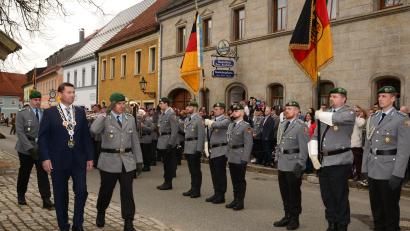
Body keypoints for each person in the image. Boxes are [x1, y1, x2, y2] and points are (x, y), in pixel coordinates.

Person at [38, 82, 94, 231]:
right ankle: (63, 225)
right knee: (61, 194)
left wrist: (89, 157)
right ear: (60, 94)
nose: (72, 95)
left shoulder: (80, 112)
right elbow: (42, 138)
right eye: (69, 92)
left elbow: (86, 137)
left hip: (78, 160)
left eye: (73, 92)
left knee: (82, 191)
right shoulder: (50, 113)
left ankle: (78, 224)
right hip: (58, 160)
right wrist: (45, 158)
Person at [90, 92, 143, 231]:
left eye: (123, 104)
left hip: (127, 161)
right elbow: (94, 130)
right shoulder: (105, 118)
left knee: (127, 192)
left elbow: (135, 140)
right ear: (112, 105)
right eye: (119, 104)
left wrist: (139, 161)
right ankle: (101, 211)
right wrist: (103, 114)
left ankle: (128, 221)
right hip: (109, 161)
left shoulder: (129, 118)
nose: (122, 106)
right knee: (106, 191)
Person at [362, 86, 410, 231]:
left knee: (390, 208)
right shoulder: (373, 118)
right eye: (380, 96)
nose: (380, 99)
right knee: (376, 207)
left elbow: (404, 149)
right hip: (373, 169)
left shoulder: (402, 119)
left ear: (393, 99)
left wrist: (398, 174)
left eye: (384, 96)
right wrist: (364, 168)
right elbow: (367, 146)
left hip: (390, 169)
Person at [309, 87, 356, 231]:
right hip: (325, 161)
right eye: (331, 96)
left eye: (336, 96)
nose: (332, 99)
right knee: (327, 195)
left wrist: (319, 114)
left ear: (344, 99)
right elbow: (316, 135)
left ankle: (342, 224)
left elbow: (334, 119)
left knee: (339, 195)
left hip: (340, 160)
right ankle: (331, 221)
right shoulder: (325, 113)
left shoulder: (349, 112)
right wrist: (313, 155)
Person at [15, 90, 53, 209]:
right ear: (30, 100)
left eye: (39, 100)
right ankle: (21, 195)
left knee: (43, 174)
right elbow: (20, 133)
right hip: (26, 149)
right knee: (24, 172)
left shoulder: (44, 112)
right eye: (35, 100)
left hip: (40, 148)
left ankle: (46, 199)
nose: (37, 102)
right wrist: (30, 148)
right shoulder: (22, 113)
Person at [273, 101, 309, 230]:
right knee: (284, 192)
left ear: (297, 111)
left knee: (294, 193)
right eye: (286, 108)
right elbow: (279, 142)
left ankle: (294, 218)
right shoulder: (283, 124)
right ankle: (287, 215)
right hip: (282, 163)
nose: (286, 110)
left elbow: (304, 148)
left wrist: (300, 164)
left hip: (294, 164)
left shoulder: (301, 126)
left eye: (289, 108)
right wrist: (277, 158)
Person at [225, 103, 253, 211]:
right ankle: (235, 199)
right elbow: (229, 141)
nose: (233, 113)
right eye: (233, 111)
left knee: (240, 180)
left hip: (240, 156)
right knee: (234, 179)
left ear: (241, 112)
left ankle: (240, 202)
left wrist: (245, 159)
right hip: (232, 155)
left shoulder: (246, 126)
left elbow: (248, 144)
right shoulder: (231, 125)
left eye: (236, 111)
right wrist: (227, 155)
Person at [204, 102, 230, 204]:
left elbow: (220, 125)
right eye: (214, 109)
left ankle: (221, 195)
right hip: (213, 150)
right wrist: (206, 146)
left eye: (217, 109)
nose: (214, 110)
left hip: (221, 150)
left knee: (220, 174)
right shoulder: (212, 120)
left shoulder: (226, 120)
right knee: (214, 174)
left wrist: (208, 122)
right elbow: (208, 135)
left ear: (223, 110)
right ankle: (216, 193)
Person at [182, 101, 205, 198]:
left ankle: (197, 190)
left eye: (189, 106)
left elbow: (201, 135)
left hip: (195, 147)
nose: (187, 108)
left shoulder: (199, 119)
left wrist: (199, 149)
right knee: (191, 170)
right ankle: (192, 188)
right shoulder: (187, 119)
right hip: (188, 146)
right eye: (187, 106)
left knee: (196, 170)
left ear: (194, 108)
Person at [156, 97, 179, 190]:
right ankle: (166, 182)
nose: (160, 105)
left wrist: (170, 143)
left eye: (161, 103)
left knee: (168, 164)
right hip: (162, 141)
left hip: (168, 141)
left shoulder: (171, 114)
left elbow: (174, 130)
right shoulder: (163, 114)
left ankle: (168, 183)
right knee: (165, 163)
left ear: (166, 104)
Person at [351, 105, 366, 181]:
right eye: (354, 111)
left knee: (357, 162)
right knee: (350, 161)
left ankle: (358, 175)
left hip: (356, 144)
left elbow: (360, 124)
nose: (354, 112)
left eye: (356, 111)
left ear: (360, 112)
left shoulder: (361, 119)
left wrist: (355, 116)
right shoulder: (352, 119)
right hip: (349, 143)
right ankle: (350, 174)